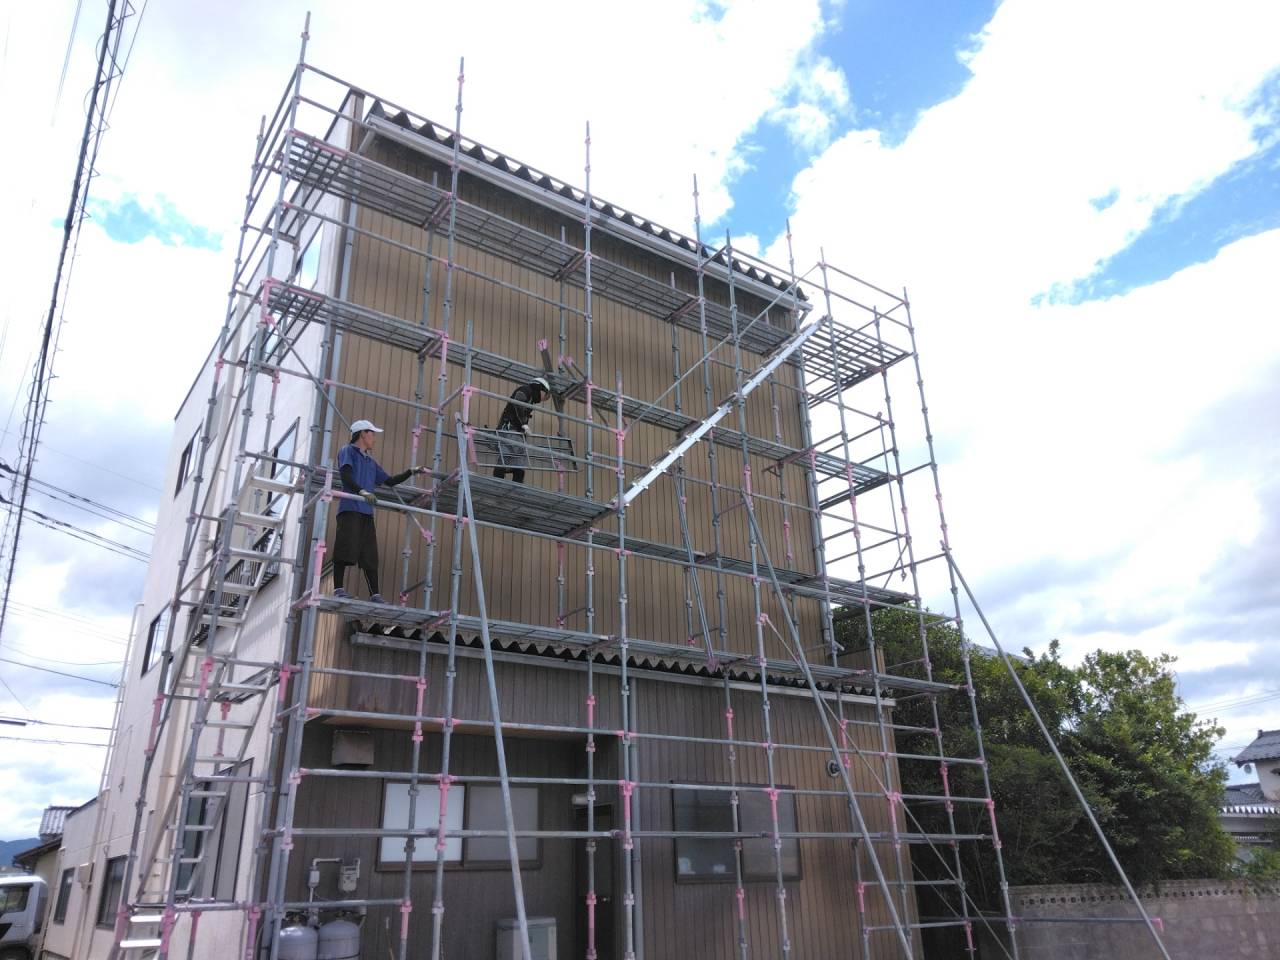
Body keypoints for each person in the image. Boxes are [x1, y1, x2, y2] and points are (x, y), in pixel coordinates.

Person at [332, 419, 424, 603]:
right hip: (350, 508)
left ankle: (375, 594)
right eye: (372, 433)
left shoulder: (370, 462)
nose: (374, 438)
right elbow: (346, 475)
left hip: (366, 512)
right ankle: (338, 589)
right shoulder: (347, 451)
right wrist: (362, 491)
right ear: (363, 433)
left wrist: (410, 472)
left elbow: (389, 481)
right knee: (344, 549)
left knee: (369, 554)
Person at [493, 377, 552, 484]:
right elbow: (518, 404)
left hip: (517, 433)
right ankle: (498, 484)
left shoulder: (531, 400)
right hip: (509, 429)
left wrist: (523, 427)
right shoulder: (525, 390)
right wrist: (523, 424)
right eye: (545, 393)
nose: (544, 398)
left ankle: (516, 488)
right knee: (505, 458)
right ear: (539, 388)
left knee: (519, 464)